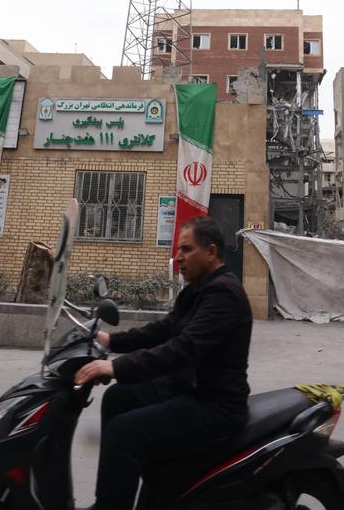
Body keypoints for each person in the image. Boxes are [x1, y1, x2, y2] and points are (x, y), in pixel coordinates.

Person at [73, 217, 252, 510]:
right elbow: (165, 329)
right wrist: (111, 341)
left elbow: (182, 349)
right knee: (118, 398)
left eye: (186, 249)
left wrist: (116, 368)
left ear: (210, 252)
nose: (178, 257)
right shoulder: (197, 289)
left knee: (122, 434)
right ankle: (116, 496)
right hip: (187, 388)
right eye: (178, 249)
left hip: (213, 404)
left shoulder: (224, 294)